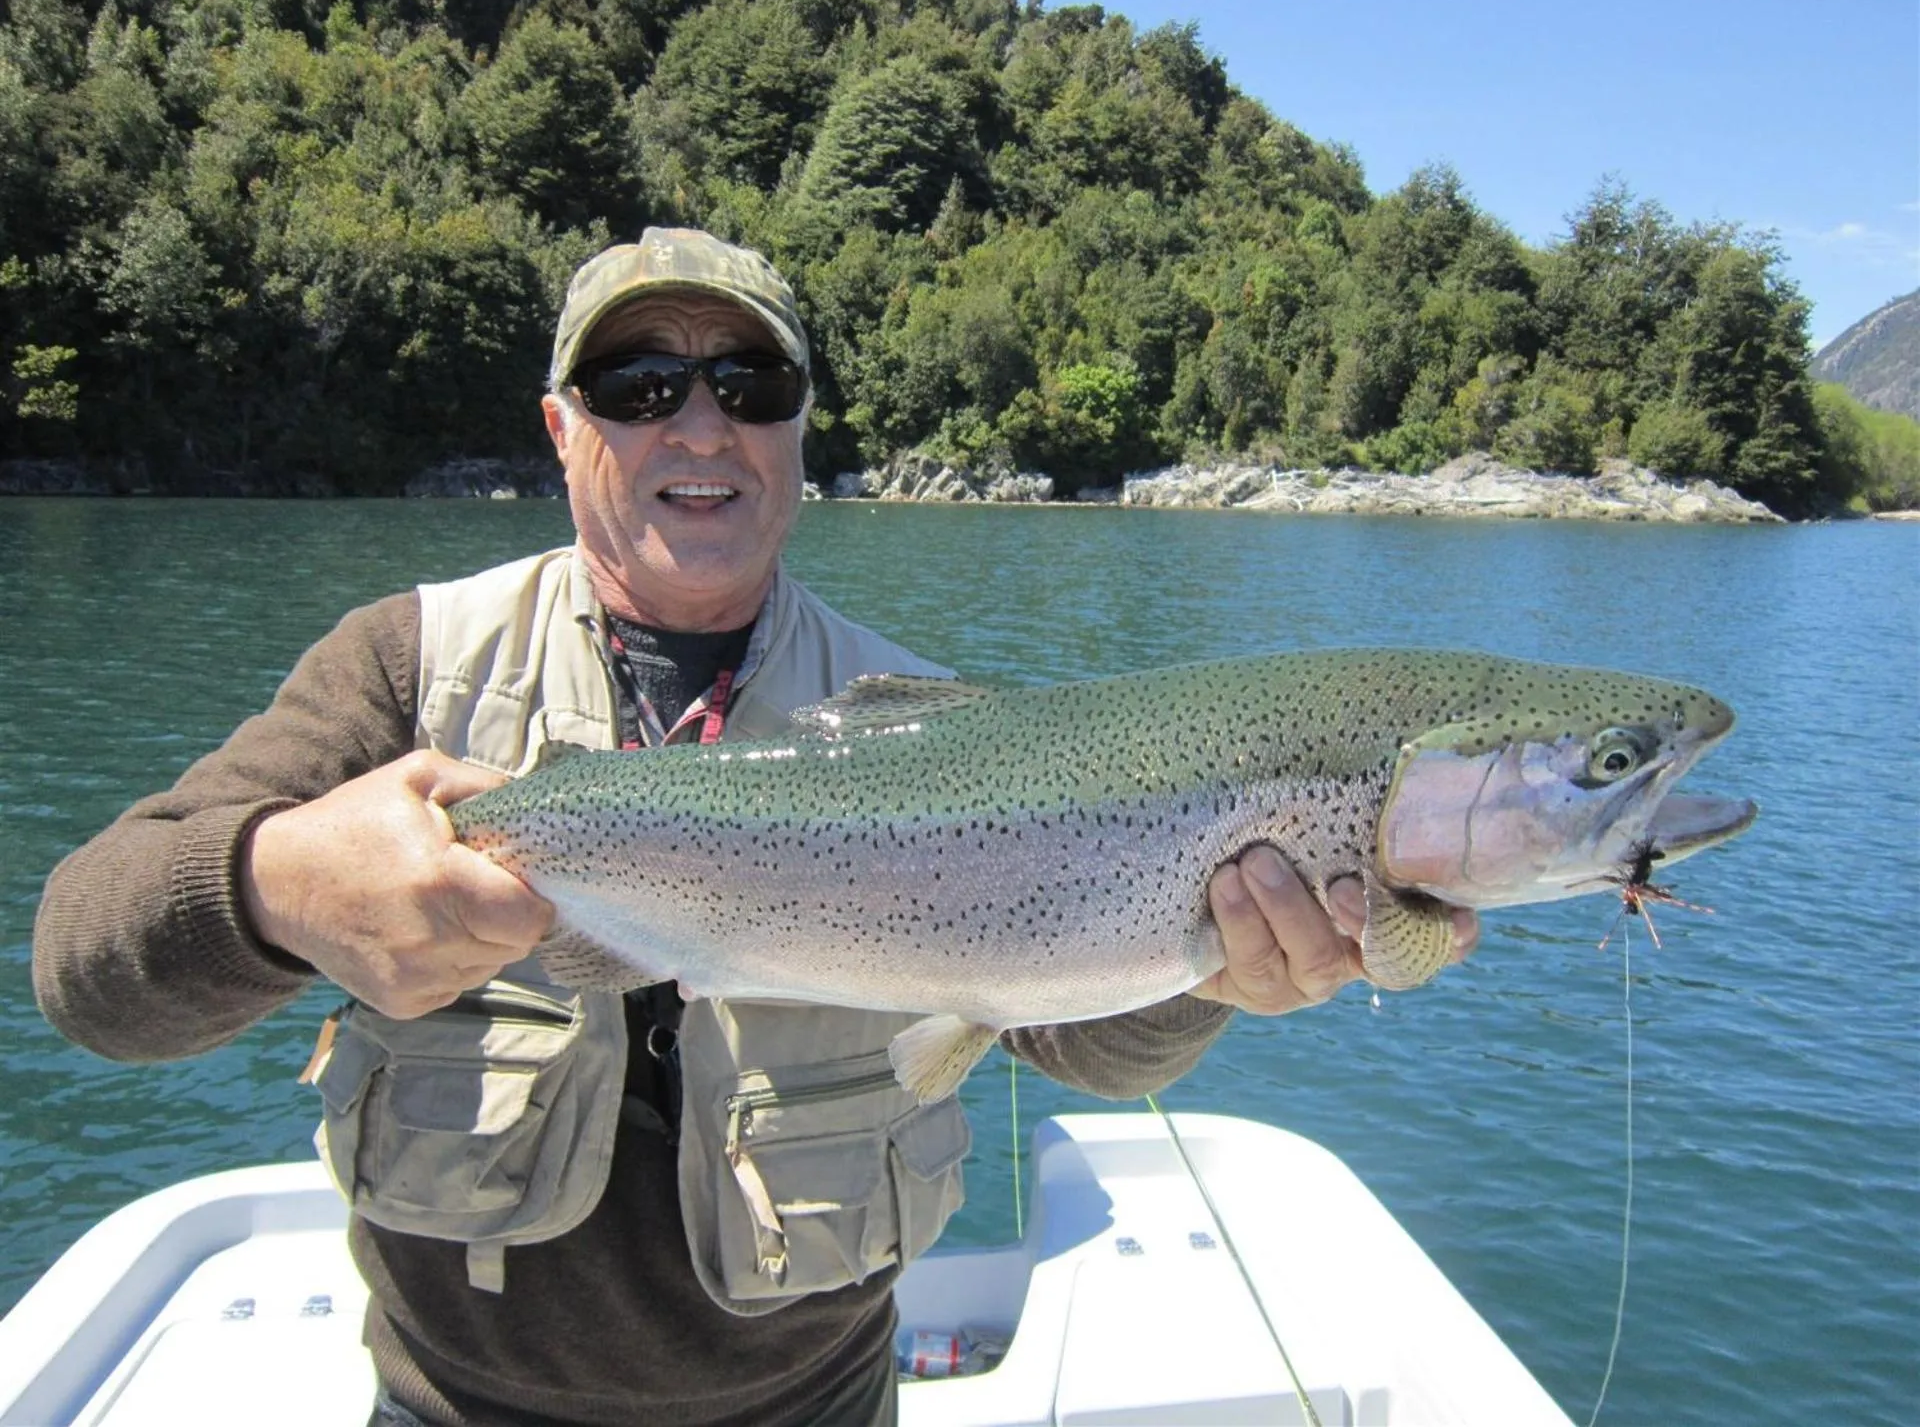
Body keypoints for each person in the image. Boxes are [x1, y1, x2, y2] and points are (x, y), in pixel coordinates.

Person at [32, 227, 1476, 1427]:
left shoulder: (923, 723)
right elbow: (86, 972)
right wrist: (269, 885)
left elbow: (1082, 1042)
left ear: (797, 430)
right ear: (562, 427)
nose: (700, 422)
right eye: (637, 381)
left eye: (749, 380)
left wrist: (1208, 975)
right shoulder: (407, 672)